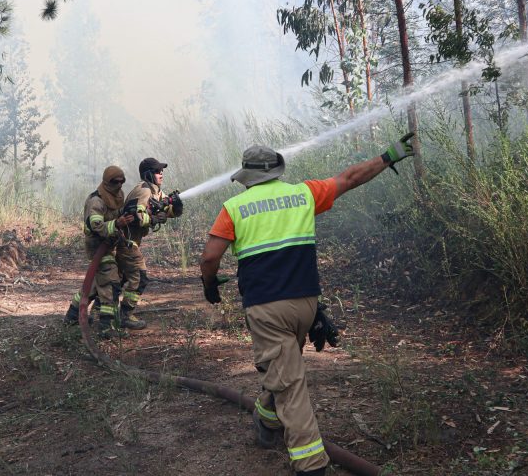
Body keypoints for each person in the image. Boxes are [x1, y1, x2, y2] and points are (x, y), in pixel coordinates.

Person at [199, 136, 415, 476]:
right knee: (283, 366)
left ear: (247, 177)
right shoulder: (304, 194)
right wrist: (389, 156)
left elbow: (210, 257)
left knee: (289, 384)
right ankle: (267, 420)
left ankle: (311, 465)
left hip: (267, 310)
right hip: (305, 305)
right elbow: (350, 178)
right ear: (276, 171)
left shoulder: (234, 208)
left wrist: (210, 284)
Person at [63, 165, 135, 337]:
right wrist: (117, 223)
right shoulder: (96, 201)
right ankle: (106, 327)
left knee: (94, 285)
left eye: (122, 181)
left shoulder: (118, 196)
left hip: (109, 246)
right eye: (115, 182)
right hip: (97, 248)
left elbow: (118, 214)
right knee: (111, 284)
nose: (119, 185)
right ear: (107, 182)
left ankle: (72, 316)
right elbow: (96, 227)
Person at [115, 157, 183, 330]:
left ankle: (94, 313)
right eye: (157, 171)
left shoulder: (156, 192)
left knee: (117, 279)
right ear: (148, 174)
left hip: (130, 242)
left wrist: (176, 206)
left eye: (162, 171)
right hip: (126, 242)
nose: (161, 174)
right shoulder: (144, 190)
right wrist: (153, 218)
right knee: (139, 277)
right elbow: (135, 216)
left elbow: (169, 211)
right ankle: (125, 315)